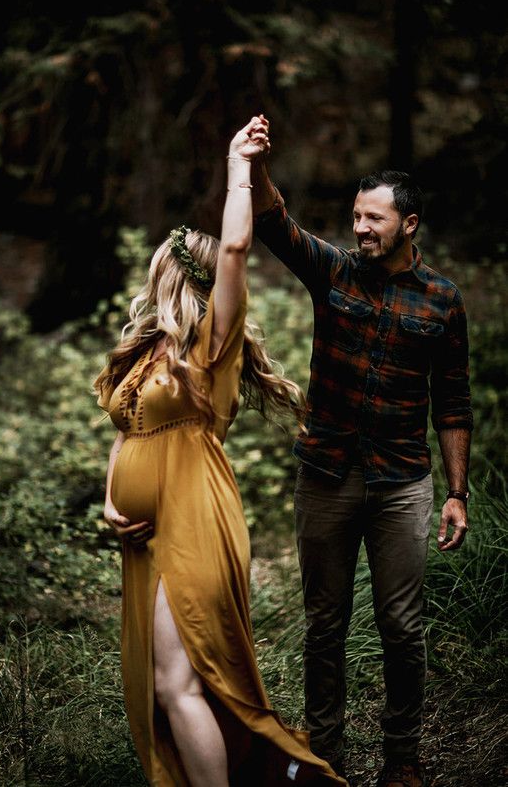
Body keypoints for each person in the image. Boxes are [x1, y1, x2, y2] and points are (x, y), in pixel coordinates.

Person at [93, 116, 347, 787]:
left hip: (194, 521)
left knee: (181, 682)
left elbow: (235, 250)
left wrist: (239, 167)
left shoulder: (213, 346)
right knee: (161, 686)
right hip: (143, 539)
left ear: (175, 273)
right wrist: (110, 500)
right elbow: (124, 433)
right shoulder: (145, 351)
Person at [249, 153, 472, 787]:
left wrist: (457, 492)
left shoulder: (443, 302)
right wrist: (258, 164)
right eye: (356, 217)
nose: (361, 228)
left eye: (374, 218)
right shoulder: (334, 273)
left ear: (410, 225)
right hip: (326, 474)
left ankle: (402, 759)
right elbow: (275, 224)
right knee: (325, 624)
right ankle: (326, 757)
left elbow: (453, 402)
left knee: (402, 627)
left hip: (403, 482)